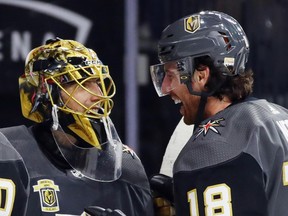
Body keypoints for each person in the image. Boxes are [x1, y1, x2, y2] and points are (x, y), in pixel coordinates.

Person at [149, 10, 288, 215]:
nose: (167, 86)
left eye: (171, 75)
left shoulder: (212, 147)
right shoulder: (280, 115)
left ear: (201, 75)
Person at [0, 38, 154, 216]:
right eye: (81, 83)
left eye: (98, 82)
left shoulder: (127, 165)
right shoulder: (9, 154)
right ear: (46, 93)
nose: (98, 95)